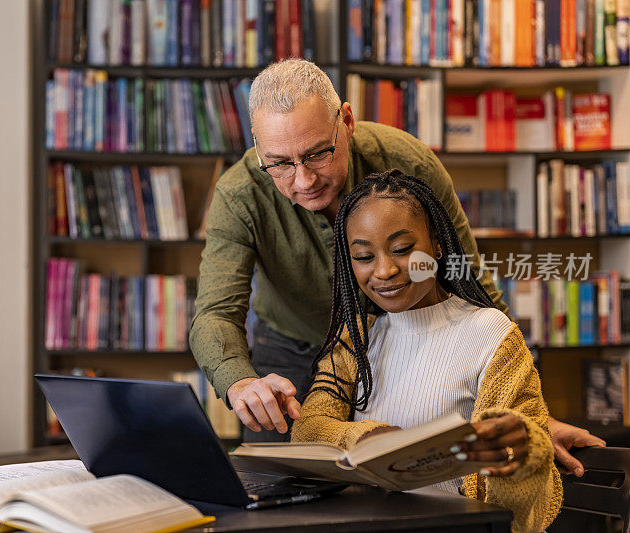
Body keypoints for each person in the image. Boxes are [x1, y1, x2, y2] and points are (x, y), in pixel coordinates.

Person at [189, 59, 604, 470]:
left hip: (392, 340)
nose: (304, 180)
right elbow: (215, 313)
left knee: (408, 473)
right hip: (290, 349)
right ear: (259, 146)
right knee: (274, 487)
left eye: (318, 153)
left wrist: (534, 416)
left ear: (346, 121)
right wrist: (241, 382)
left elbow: (469, 277)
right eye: (280, 163)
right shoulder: (238, 194)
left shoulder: (409, 163)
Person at [291, 169, 561, 532]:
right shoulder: (355, 337)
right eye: (363, 256)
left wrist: (522, 455)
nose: (384, 270)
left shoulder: (490, 332)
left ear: (436, 244)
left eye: (402, 250)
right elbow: (308, 431)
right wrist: (364, 437)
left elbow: (524, 506)